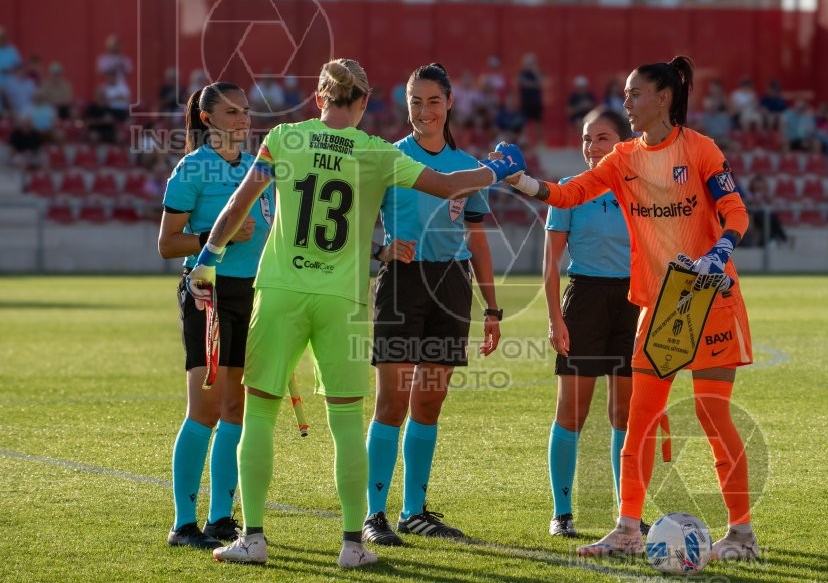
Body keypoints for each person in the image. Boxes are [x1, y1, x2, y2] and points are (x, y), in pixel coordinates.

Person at [186, 58, 523, 568]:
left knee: (259, 413)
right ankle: (351, 544)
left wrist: (207, 260)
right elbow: (452, 185)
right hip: (342, 299)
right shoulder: (377, 152)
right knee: (345, 421)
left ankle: (252, 538)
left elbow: (238, 204)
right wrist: (498, 169)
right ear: (365, 103)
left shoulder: (286, 138)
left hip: (280, 290)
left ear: (320, 97)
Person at [501, 55, 759, 561]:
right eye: (625, 95)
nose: (627, 103)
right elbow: (568, 192)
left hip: (710, 298)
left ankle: (743, 535)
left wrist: (721, 250)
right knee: (639, 421)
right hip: (660, 307)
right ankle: (625, 530)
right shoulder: (621, 158)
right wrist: (522, 183)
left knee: (713, 419)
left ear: (663, 98)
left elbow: (736, 210)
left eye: (634, 94)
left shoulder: (700, 149)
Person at [362, 63, 501, 547]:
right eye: (415, 101)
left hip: (452, 287)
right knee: (392, 401)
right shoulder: (387, 158)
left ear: (449, 104)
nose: (424, 110)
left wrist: (493, 309)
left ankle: (414, 511)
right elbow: (354, 224)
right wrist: (381, 251)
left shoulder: (469, 170)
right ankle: (373, 514)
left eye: (433, 101)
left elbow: (479, 243)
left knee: (429, 401)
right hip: (402, 285)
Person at [157, 81, 270, 550]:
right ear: (208, 120)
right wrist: (215, 236)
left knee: (235, 408)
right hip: (206, 292)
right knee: (203, 409)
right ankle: (184, 524)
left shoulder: (256, 170)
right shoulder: (191, 168)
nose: (243, 120)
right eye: (231, 112)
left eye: (245, 112)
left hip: (250, 294)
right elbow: (167, 244)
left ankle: (222, 519)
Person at [542, 108, 643, 539]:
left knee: (626, 415)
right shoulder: (568, 191)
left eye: (602, 138)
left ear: (620, 145)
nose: (592, 147)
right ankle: (562, 513)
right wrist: (555, 320)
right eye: (587, 139)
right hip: (583, 300)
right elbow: (549, 264)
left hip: (633, 303)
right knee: (572, 414)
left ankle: (628, 515)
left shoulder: (641, 191)